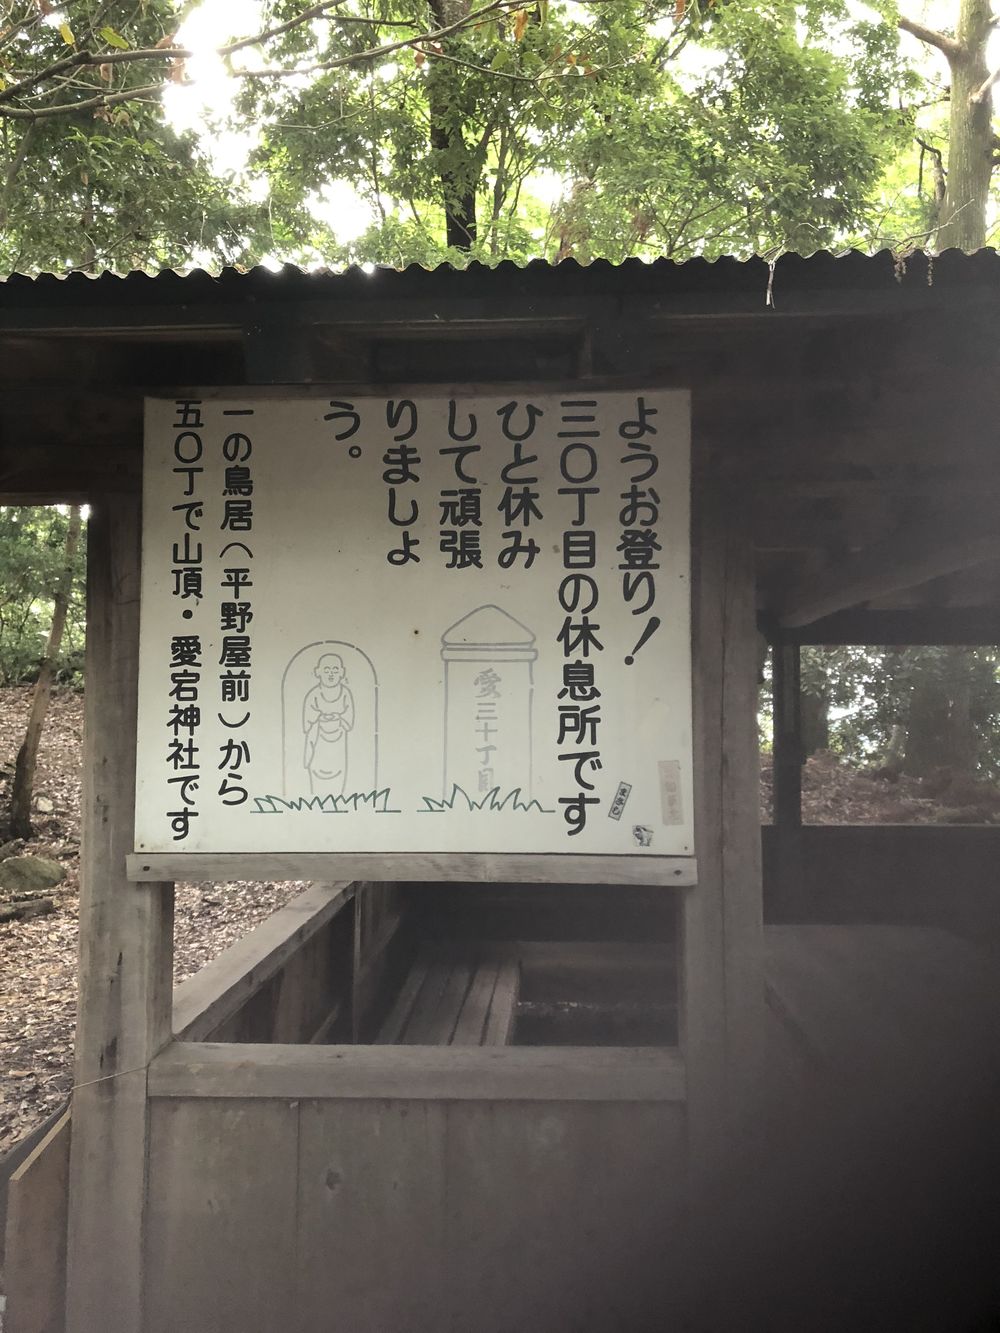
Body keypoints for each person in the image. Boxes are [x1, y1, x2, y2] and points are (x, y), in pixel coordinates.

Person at [303, 653, 355, 796]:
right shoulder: (313, 695)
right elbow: (307, 724)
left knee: (338, 783)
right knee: (317, 782)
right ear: (317, 672)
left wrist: (337, 718)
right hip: (319, 744)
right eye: (326, 670)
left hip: (338, 747)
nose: (331, 674)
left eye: (335, 670)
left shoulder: (345, 693)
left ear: (342, 673)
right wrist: (321, 719)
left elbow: (349, 722)